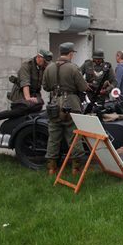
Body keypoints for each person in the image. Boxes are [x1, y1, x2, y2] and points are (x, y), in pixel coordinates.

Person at [42, 42, 89, 175]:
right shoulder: (73, 68)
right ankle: (76, 169)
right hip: (71, 105)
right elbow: (83, 87)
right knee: (74, 137)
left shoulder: (49, 68)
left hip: (55, 105)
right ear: (70, 53)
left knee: (53, 138)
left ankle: (51, 168)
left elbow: (45, 87)